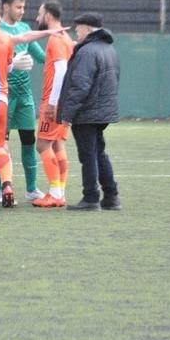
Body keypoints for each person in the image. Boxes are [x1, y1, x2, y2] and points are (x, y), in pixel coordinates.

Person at [0, 0, 69, 208]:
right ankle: (7, 185)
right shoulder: (4, 37)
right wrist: (49, 32)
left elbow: (25, 38)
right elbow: (23, 39)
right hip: (1, 99)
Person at [57, 12, 122, 211]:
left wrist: (67, 114)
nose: (76, 30)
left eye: (79, 27)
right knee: (99, 152)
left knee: (88, 155)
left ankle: (91, 197)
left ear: (88, 29)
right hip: (102, 111)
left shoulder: (86, 52)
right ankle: (111, 196)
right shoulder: (109, 49)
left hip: (87, 112)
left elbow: (80, 86)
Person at [0, 0, 46, 202]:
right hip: (4, 96)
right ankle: (1, 188)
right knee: (0, 143)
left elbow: (41, 56)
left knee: (29, 141)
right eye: (18, 7)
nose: (22, 11)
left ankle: (31, 188)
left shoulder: (25, 28)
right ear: (5, 6)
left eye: (24, 7)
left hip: (25, 97)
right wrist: (12, 62)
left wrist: (67, 48)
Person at [32, 0, 75, 208]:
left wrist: (52, 103)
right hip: (63, 101)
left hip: (55, 102)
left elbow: (61, 70)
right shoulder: (65, 37)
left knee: (42, 144)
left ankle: (56, 192)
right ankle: (60, 192)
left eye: (39, 14)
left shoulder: (56, 38)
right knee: (58, 143)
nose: (37, 18)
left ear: (48, 15)